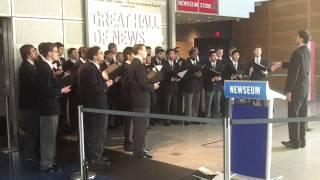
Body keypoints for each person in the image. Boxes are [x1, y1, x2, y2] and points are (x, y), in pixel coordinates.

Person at [36, 42, 71, 173]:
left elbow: (50, 85)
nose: (58, 53)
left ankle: (50, 161)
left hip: (51, 107)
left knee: (51, 136)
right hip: (48, 108)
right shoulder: (44, 67)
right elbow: (45, 90)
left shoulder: (47, 66)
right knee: (47, 137)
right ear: (49, 53)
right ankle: (46, 165)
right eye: (56, 51)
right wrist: (61, 91)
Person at [78, 46, 114, 165]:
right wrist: (107, 84)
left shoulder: (89, 67)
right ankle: (95, 157)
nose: (103, 55)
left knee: (92, 132)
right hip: (96, 105)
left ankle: (93, 155)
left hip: (92, 104)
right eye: (101, 53)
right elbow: (93, 89)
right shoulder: (90, 68)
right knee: (97, 132)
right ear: (94, 56)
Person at [276, 30, 311, 149]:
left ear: (301, 39)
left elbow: (294, 73)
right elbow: (296, 65)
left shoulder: (297, 52)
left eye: (297, 36)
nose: (295, 37)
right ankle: (302, 140)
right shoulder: (307, 51)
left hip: (295, 89)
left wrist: (288, 91)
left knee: (293, 115)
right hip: (305, 88)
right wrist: (281, 64)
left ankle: (294, 142)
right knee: (302, 115)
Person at [128, 44, 159, 158]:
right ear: (140, 51)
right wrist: (153, 86)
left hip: (138, 99)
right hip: (141, 99)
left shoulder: (135, 64)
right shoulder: (138, 64)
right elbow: (142, 83)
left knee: (140, 126)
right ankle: (139, 151)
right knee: (141, 127)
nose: (147, 52)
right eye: (145, 50)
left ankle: (139, 149)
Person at [19, 44, 39, 162]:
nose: (36, 53)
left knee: (34, 129)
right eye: (33, 51)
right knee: (31, 130)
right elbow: (32, 85)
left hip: (34, 103)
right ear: (27, 54)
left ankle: (32, 152)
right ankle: (29, 154)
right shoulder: (25, 67)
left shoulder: (33, 65)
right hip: (29, 104)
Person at [181, 48, 203, 124]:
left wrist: (200, 75)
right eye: (194, 54)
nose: (195, 55)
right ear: (190, 54)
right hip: (189, 86)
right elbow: (184, 74)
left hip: (197, 86)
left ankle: (195, 118)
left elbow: (202, 73)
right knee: (188, 103)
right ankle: (188, 119)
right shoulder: (185, 63)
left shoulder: (199, 63)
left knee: (196, 103)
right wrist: (194, 74)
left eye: (197, 54)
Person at [160, 49, 180, 126]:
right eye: (171, 54)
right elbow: (162, 75)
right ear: (167, 55)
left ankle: (174, 119)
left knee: (174, 104)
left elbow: (178, 73)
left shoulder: (176, 63)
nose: (173, 55)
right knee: (167, 104)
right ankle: (166, 120)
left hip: (175, 86)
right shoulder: (163, 64)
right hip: (167, 86)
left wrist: (179, 78)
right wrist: (171, 78)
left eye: (174, 54)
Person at [203, 51, 224, 118]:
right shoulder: (206, 65)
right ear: (210, 57)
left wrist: (220, 78)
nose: (215, 57)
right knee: (208, 102)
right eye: (213, 56)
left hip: (218, 86)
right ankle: (207, 115)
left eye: (216, 56)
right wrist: (212, 79)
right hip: (209, 86)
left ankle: (216, 115)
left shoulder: (220, 64)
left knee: (217, 102)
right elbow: (204, 76)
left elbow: (224, 74)